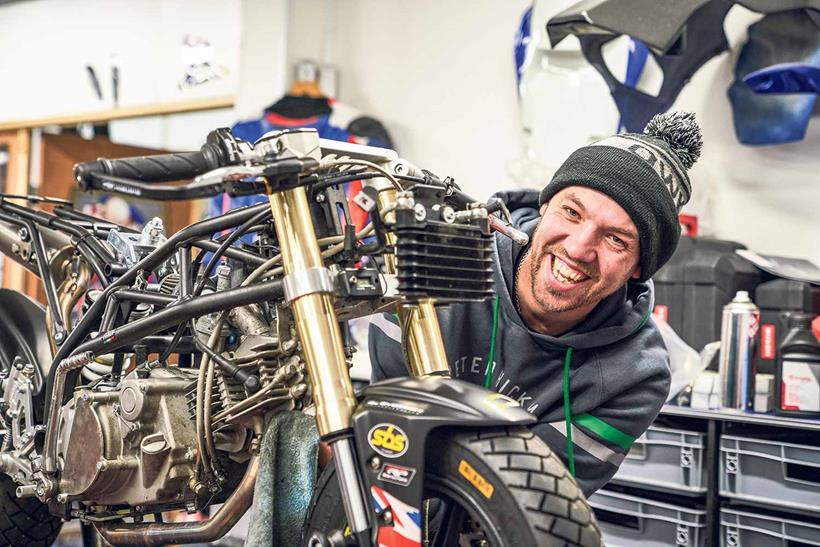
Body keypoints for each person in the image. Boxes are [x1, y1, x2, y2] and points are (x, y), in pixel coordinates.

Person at [368, 111, 703, 495]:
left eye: (615, 240)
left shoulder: (637, 374)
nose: (578, 249)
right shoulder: (437, 268)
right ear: (545, 204)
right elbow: (386, 438)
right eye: (572, 212)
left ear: (638, 267)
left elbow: (528, 499)